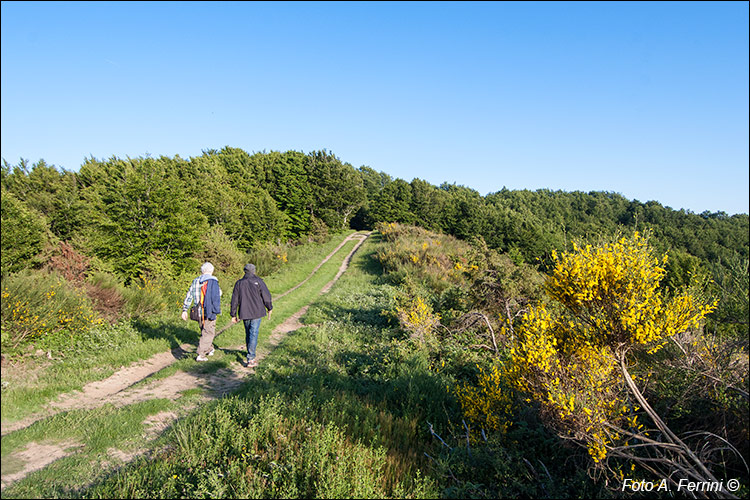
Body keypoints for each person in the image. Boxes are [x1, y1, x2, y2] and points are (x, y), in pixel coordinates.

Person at [230, 263, 273, 368]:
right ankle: (251, 358)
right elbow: (266, 297)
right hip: (257, 311)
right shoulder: (259, 281)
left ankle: (250, 353)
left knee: (249, 332)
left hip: (244, 312)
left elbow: (234, 300)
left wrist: (233, 314)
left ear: (244, 271)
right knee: (253, 333)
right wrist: (269, 307)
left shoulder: (239, 283)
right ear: (254, 271)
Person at [181, 262, 222, 361]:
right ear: (211, 271)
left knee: (205, 330)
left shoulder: (195, 281)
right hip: (209, 311)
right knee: (209, 331)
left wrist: (185, 309)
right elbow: (218, 294)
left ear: (202, 271)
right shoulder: (213, 281)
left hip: (198, 312)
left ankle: (210, 349)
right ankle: (201, 354)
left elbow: (189, 295)